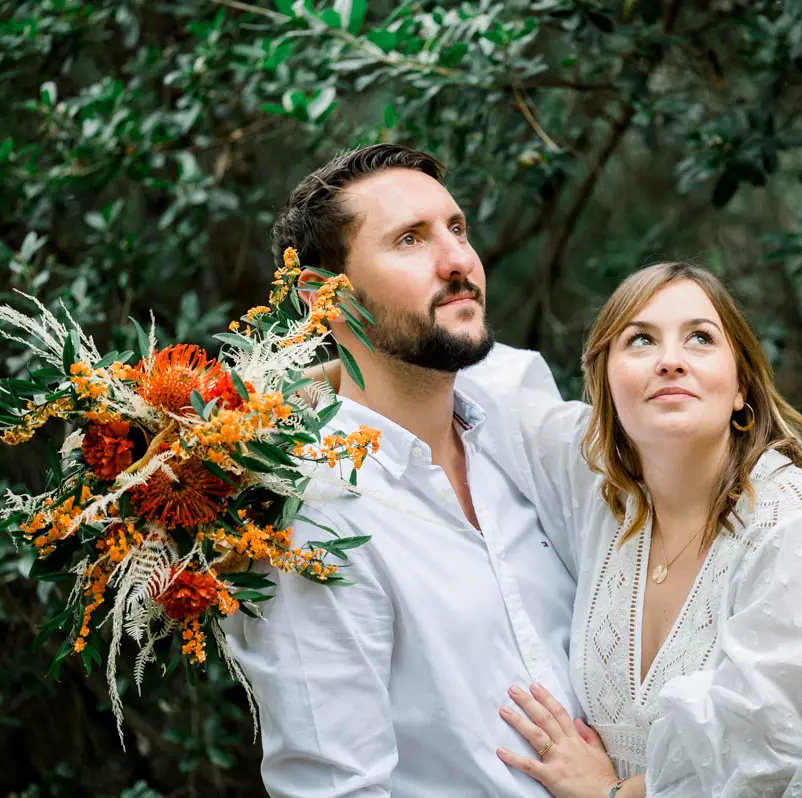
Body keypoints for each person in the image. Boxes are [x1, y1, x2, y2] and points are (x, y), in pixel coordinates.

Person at [222, 144, 582, 797]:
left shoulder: (527, 435)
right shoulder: (312, 518)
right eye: (411, 240)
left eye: (457, 228)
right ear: (322, 300)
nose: (457, 261)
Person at [491, 263, 802, 797]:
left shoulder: (797, 523)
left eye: (700, 338)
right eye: (641, 340)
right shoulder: (601, 493)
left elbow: (775, 758)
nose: (670, 361)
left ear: (741, 388)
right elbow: (488, 389)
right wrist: (349, 367)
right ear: (605, 388)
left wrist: (611, 794)